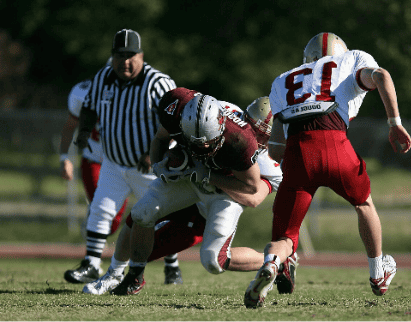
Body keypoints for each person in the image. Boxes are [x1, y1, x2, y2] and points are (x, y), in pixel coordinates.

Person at [244, 32, 411, 308]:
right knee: (363, 204)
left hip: (298, 151)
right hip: (335, 141)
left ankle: (273, 265)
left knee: (285, 236)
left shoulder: (283, 79)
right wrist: (394, 123)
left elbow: (276, 149)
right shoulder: (350, 60)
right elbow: (381, 75)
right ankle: (377, 273)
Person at [82, 91, 298, 295]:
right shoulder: (200, 112)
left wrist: (209, 176)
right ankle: (121, 276)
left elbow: (253, 196)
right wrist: (164, 163)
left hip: (223, 194)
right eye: (251, 125)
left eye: (261, 134)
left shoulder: (257, 153)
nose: (254, 135)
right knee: (140, 214)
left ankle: (274, 263)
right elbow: (167, 139)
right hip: (193, 177)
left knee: (213, 260)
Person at [63, 29, 181, 285]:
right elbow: (90, 106)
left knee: (159, 216)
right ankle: (92, 264)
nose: (125, 61)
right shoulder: (104, 76)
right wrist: (83, 131)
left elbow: (175, 121)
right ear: (112, 56)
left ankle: (172, 266)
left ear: (141, 55)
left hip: (149, 167)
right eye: (119, 55)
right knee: (100, 209)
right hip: (114, 163)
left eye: (130, 55)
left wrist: (154, 154)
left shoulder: (157, 82)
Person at [59, 60, 128, 238]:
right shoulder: (83, 93)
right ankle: (92, 253)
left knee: (114, 220)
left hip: (122, 165)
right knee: (103, 209)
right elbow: (70, 126)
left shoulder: (139, 94)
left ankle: (94, 233)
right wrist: (64, 157)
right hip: (94, 159)